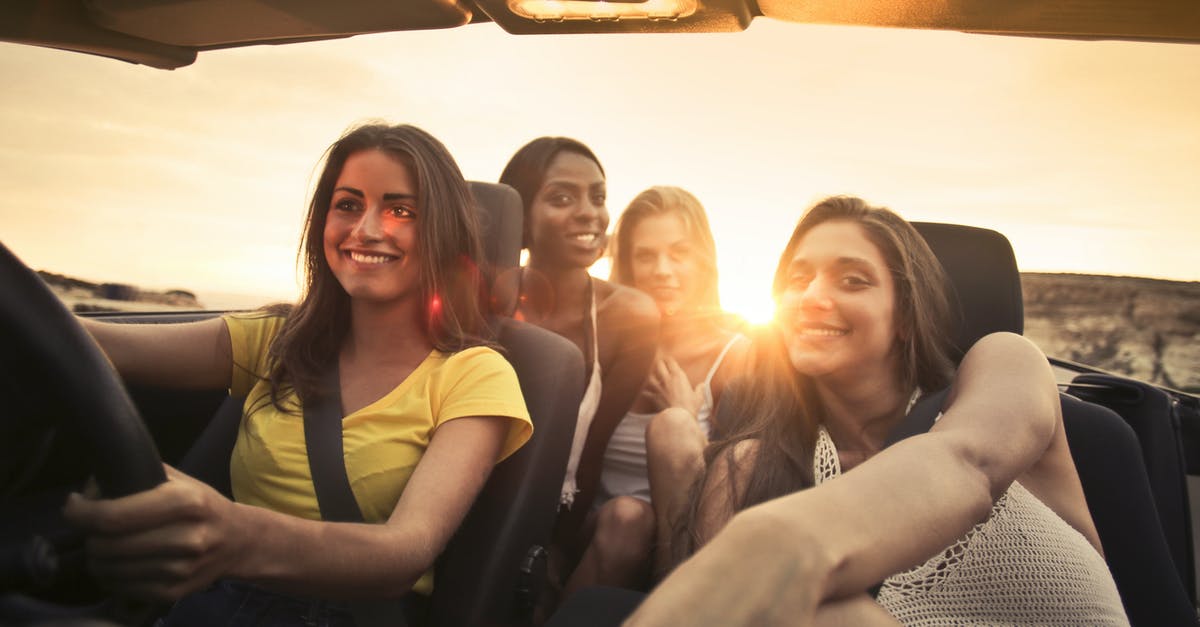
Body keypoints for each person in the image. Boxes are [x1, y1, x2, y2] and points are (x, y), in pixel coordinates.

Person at [64, 123, 533, 625]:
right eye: (348, 204)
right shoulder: (277, 341)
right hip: (211, 602)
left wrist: (236, 535)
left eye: (401, 211)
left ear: (442, 232)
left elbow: (405, 552)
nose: (367, 229)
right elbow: (84, 344)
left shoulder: (476, 374)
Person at [623, 196, 1127, 625]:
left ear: (906, 314)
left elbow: (968, 464)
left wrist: (774, 542)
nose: (813, 297)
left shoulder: (1006, 364)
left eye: (854, 280)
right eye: (799, 279)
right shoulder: (750, 468)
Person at [564, 186, 749, 594]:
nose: (663, 269)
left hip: (683, 551)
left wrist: (687, 418)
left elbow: (741, 486)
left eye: (678, 253)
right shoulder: (603, 344)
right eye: (646, 255)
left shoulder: (736, 354)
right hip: (597, 538)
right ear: (627, 265)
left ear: (703, 260)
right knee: (628, 519)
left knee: (674, 430)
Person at [497, 137, 659, 600]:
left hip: (554, 515)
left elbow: (590, 453)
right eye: (562, 198)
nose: (591, 213)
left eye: (599, 196)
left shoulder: (630, 316)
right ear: (521, 218)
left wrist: (555, 552)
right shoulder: (484, 298)